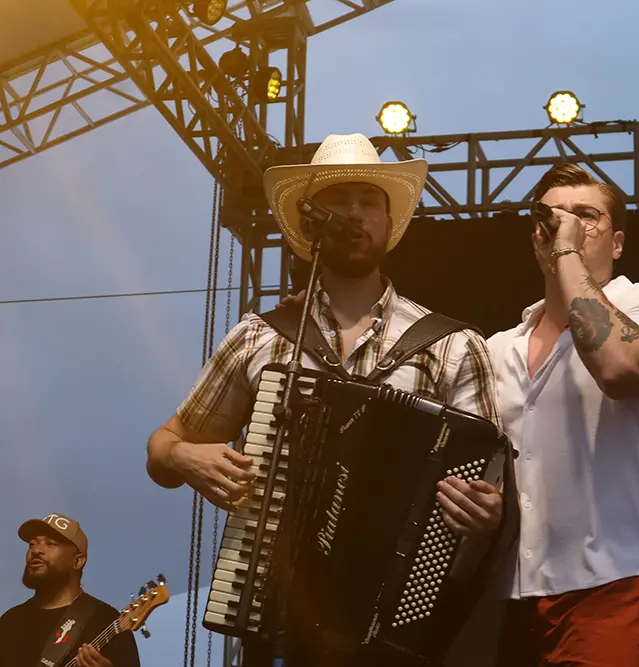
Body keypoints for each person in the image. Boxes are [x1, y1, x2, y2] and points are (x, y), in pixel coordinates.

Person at [146, 133, 504, 540]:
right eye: (338, 200)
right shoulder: (257, 337)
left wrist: (492, 508)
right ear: (310, 221)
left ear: (388, 226)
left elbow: (491, 486)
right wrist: (182, 456)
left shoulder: (453, 347)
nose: (354, 213)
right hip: (266, 581)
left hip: (395, 589)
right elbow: (162, 447)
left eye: (369, 202)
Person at [488, 163, 639, 666]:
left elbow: (621, 366)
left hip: (623, 582)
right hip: (520, 596)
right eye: (553, 217)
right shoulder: (497, 348)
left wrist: (567, 253)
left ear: (618, 243)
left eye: (587, 216)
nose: (568, 226)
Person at [0, 513, 141, 667]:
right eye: (32, 544)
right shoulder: (10, 620)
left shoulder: (106, 620)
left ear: (78, 561)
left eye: (50, 543)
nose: (36, 550)